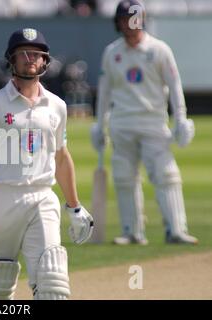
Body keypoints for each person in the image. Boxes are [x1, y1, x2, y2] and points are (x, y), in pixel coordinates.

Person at [0, 28, 94, 300]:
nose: (30, 58)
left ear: (45, 61)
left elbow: (61, 157)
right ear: (11, 59)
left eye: (36, 53)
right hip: (2, 199)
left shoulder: (56, 106)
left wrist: (75, 206)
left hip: (43, 198)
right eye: (22, 53)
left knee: (52, 283)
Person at [91, 0, 197, 245]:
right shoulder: (112, 52)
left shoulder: (159, 50)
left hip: (153, 123)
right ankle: (132, 231)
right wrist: (99, 124)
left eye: (134, 18)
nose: (130, 23)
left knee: (166, 175)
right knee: (124, 178)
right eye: (124, 19)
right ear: (117, 22)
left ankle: (176, 229)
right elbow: (105, 92)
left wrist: (180, 117)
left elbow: (174, 86)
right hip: (122, 124)